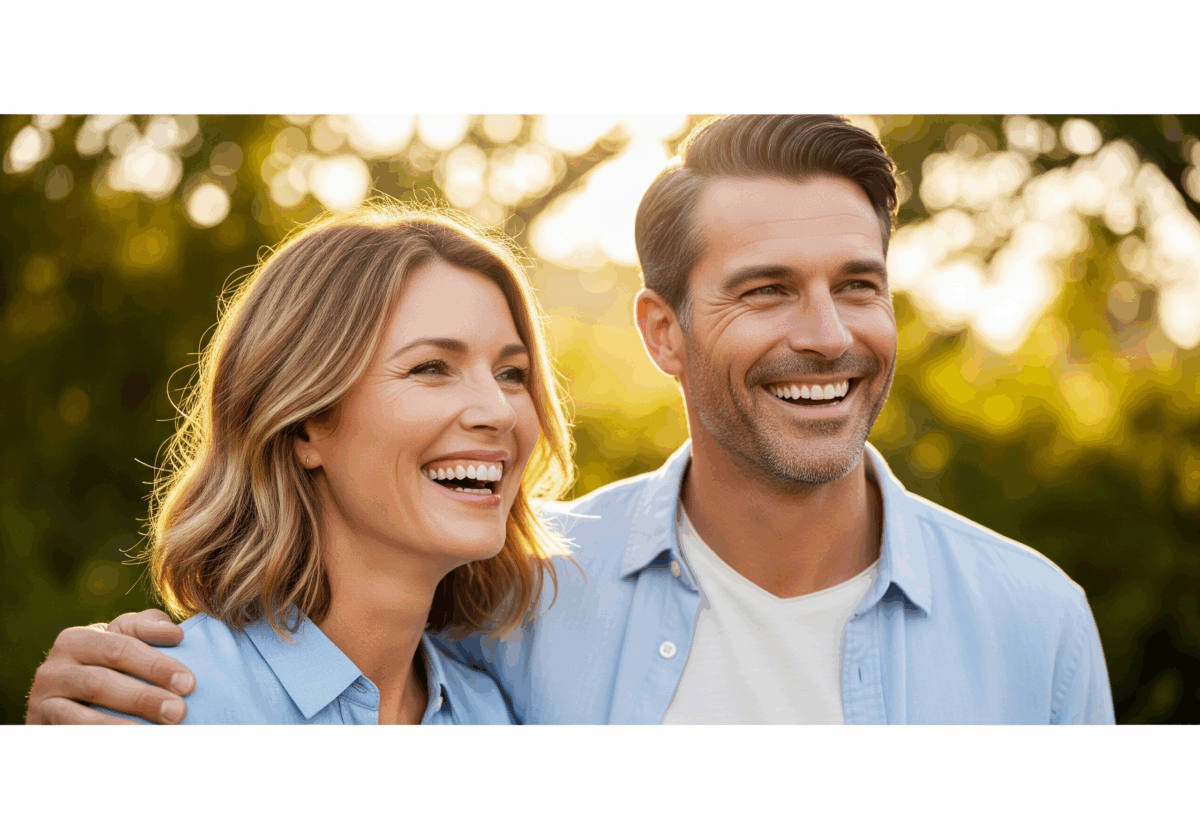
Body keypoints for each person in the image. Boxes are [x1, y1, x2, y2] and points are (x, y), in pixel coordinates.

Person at [26, 114, 1114, 725]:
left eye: (860, 284)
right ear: (664, 334)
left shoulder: (1038, 624)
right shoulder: (529, 605)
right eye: (767, 288)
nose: (827, 335)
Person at [33, 201, 576, 724]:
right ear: (303, 424)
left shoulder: (493, 716)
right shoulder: (154, 707)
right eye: (432, 367)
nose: (498, 411)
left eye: (512, 373)